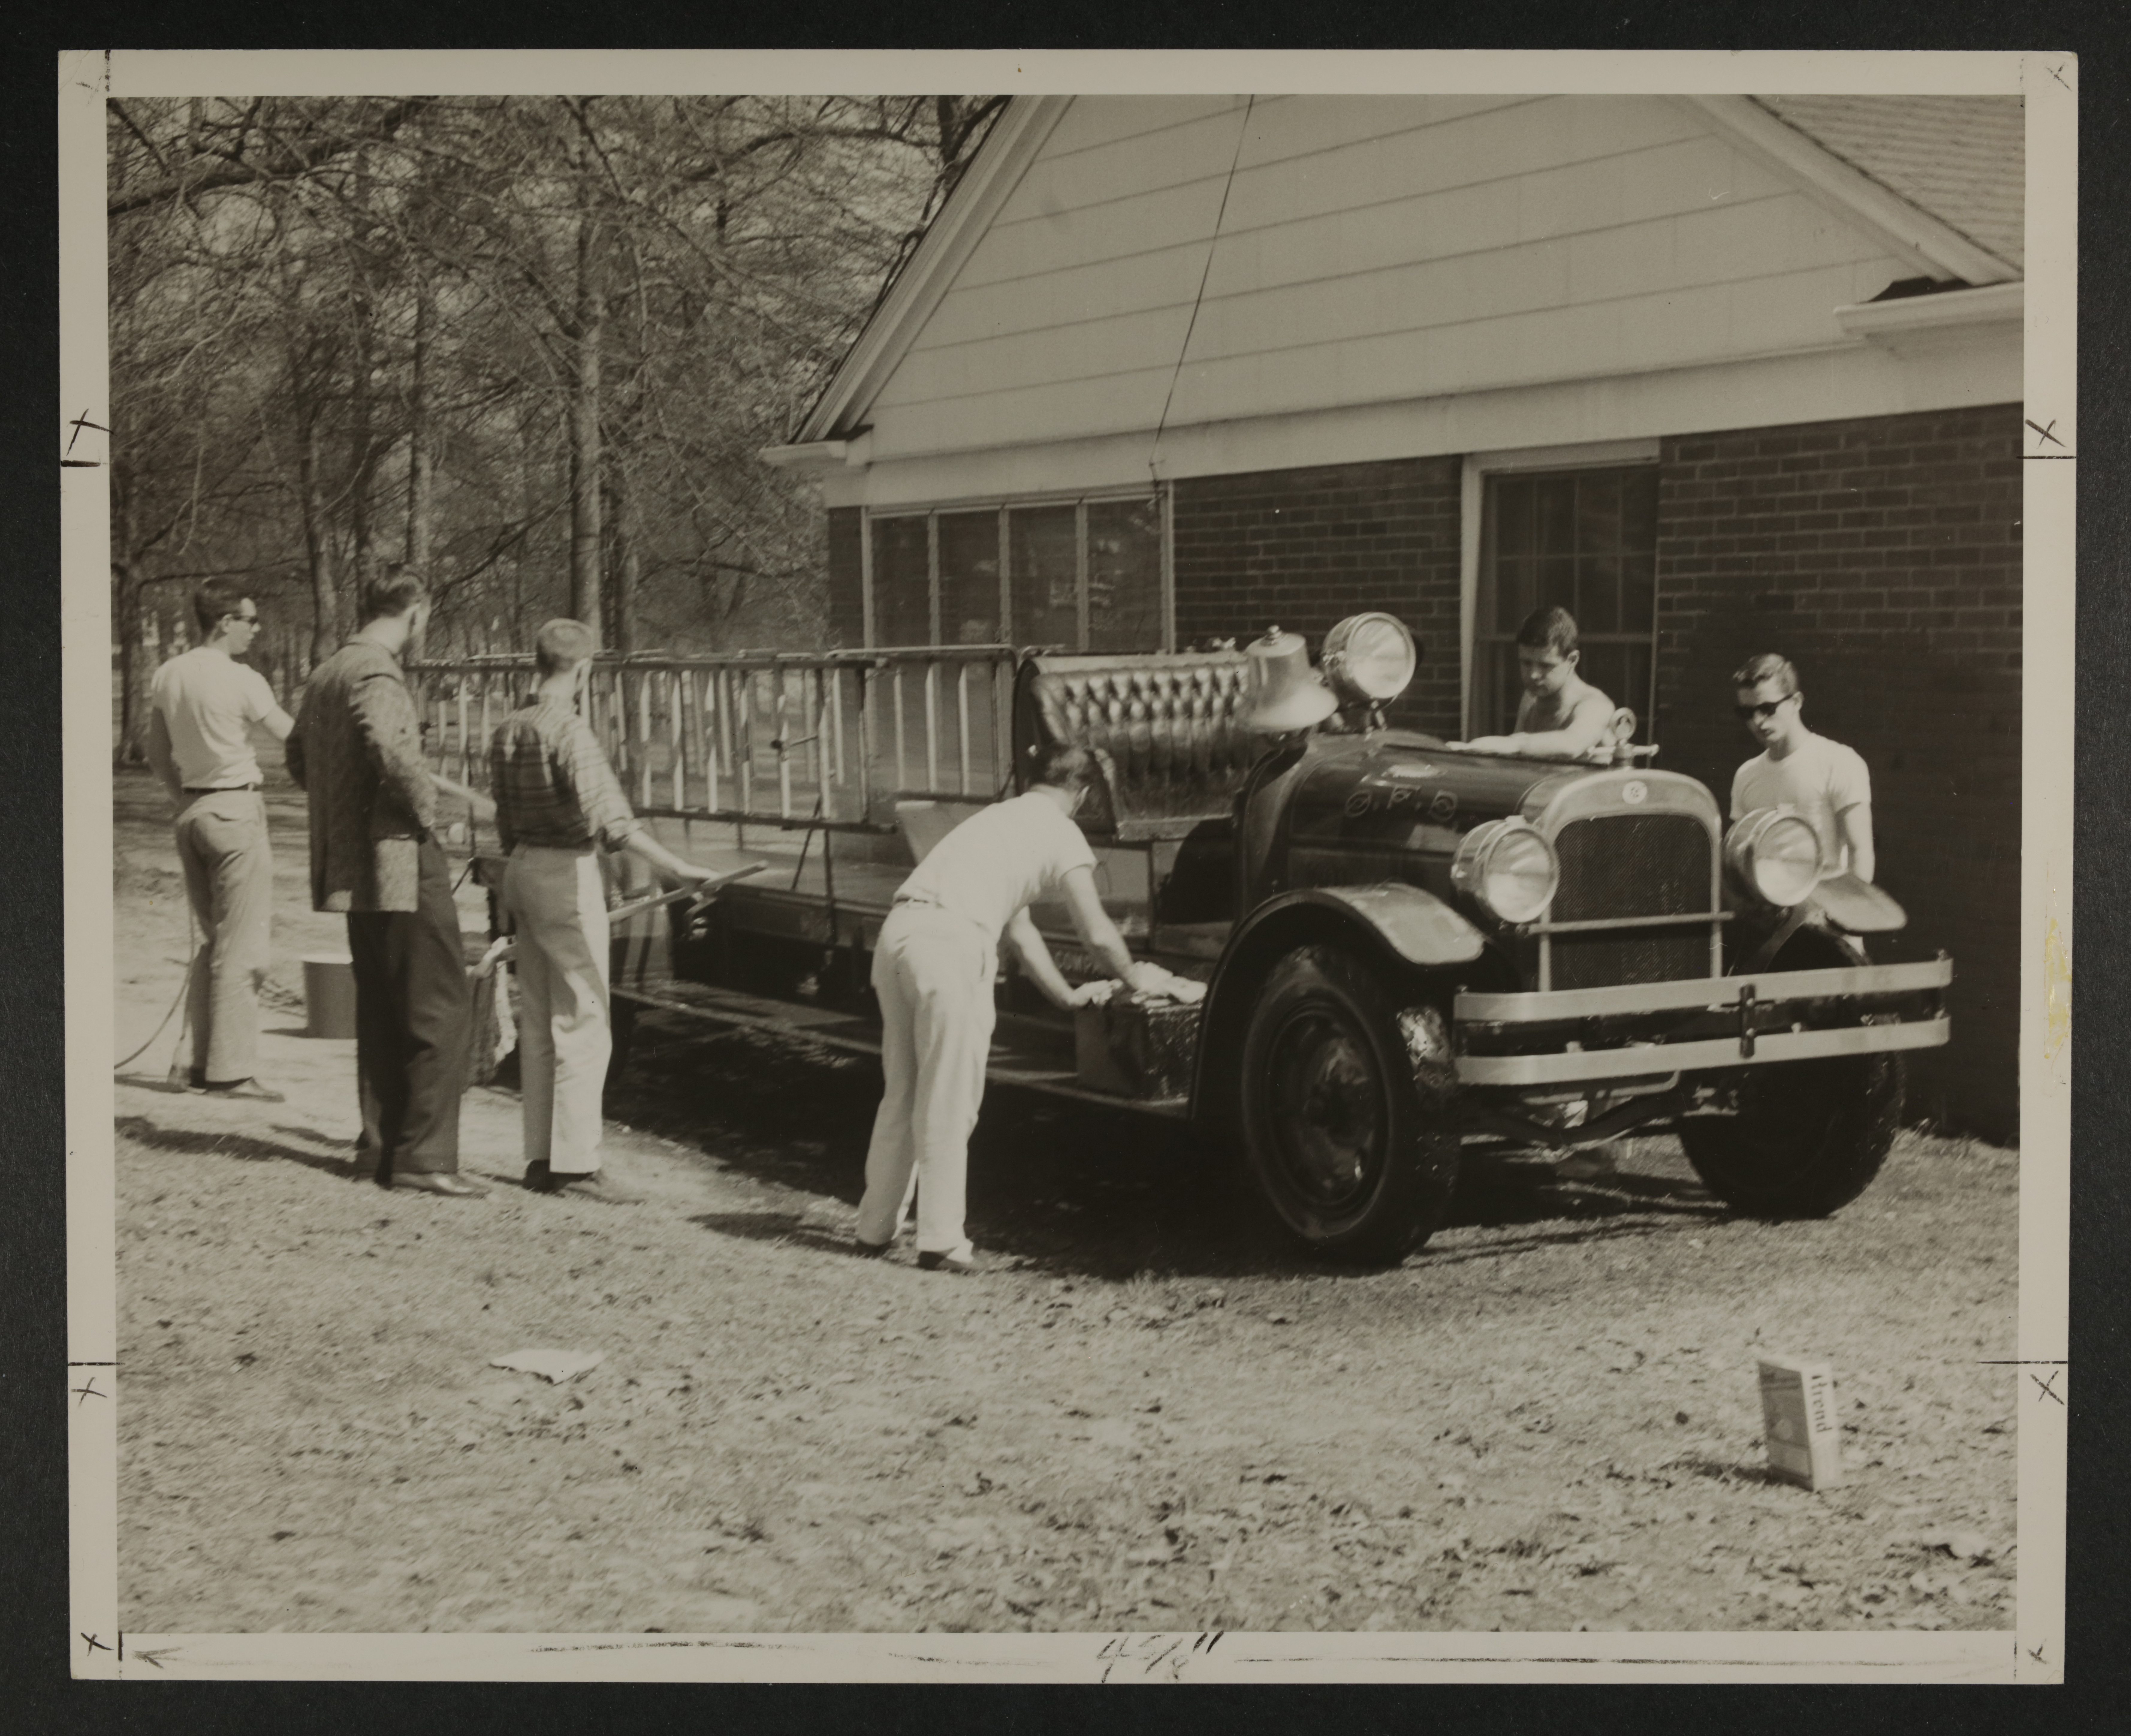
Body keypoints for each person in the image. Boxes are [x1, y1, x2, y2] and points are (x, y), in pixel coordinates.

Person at [856, 744, 1177, 1273]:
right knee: (949, 1099)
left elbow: (1022, 932)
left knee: (904, 1090)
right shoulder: (1060, 830)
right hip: (951, 944)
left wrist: (1069, 997)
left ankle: (874, 1229)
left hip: (899, 934)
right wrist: (1133, 976)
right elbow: (1096, 933)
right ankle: (941, 1241)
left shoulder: (999, 819)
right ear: (1084, 791)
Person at [488, 619, 726, 1205]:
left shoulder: (508, 727)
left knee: (542, 1019)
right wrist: (680, 868)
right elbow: (615, 826)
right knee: (587, 1020)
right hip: (565, 874)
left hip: (521, 865)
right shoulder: (570, 732)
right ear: (585, 668)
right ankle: (576, 1166)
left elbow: (502, 819)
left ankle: (542, 1158)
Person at [288, 567, 484, 1198]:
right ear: (417, 611)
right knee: (440, 1004)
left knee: (379, 1007)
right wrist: (430, 813)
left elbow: (298, 756)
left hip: (354, 870)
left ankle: (379, 1146)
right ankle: (424, 1159)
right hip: (400, 859)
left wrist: (343, 809)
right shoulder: (377, 672)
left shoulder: (326, 672)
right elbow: (392, 750)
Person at [144, 580, 296, 1101]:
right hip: (234, 810)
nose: (256, 630)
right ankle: (231, 1072)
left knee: (215, 941)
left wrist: (181, 799)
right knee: (242, 946)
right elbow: (290, 737)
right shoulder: (242, 679)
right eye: (249, 621)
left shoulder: (169, 673)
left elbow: (156, 750)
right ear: (225, 621)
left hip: (193, 811)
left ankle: (190, 1062)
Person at [1730, 651, 1875, 882]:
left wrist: (1845, 915)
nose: (1757, 721)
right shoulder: (1746, 775)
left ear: (1795, 702)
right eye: (1747, 713)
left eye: (1767, 708)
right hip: (1767, 912)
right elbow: (1740, 859)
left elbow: (1861, 853)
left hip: (1823, 912)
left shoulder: (1839, 762)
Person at [1462, 605, 1617, 759]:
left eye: (1545, 665)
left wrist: (1512, 744)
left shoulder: (1596, 705)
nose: (1534, 675)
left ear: (1573, 660)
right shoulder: (1531, 698)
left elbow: (1573, 744)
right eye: (1526, 663)